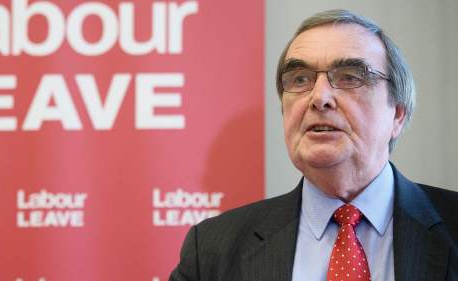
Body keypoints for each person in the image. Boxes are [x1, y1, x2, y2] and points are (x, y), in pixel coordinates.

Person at [169, 9, 458, 281]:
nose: (319, 97)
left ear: (397, 113)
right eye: (300, 79)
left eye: (349, 77)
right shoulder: (211, 250)